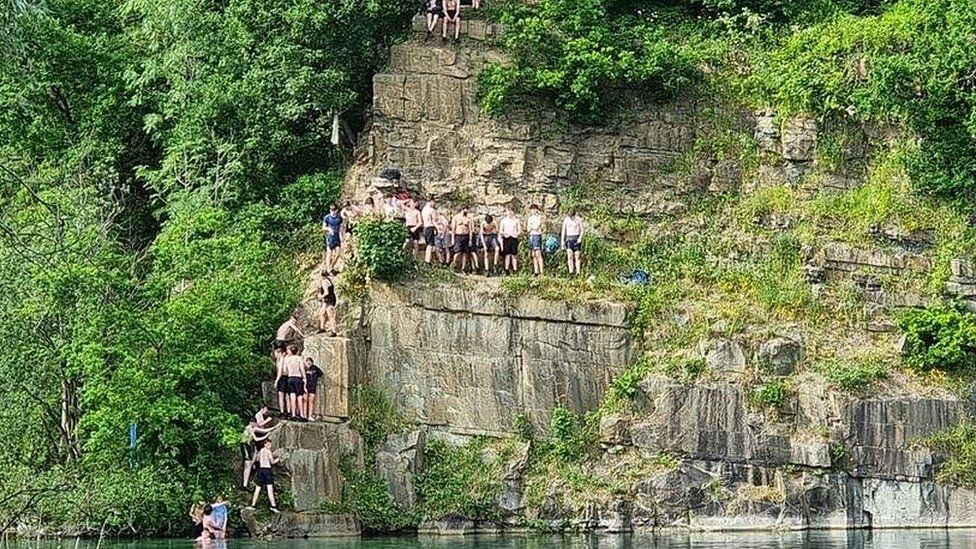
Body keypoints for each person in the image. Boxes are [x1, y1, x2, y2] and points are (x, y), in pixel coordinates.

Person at [242, 419, 279, 488]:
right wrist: (266, 436)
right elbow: (256, 439)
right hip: (245, 445)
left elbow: (264, 430)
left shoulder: (254, 428)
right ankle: (245, 484)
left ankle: (249, 478)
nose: (256, 425)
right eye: (255, 423)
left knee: (252, 461)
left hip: (250, 445)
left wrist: (275, 427)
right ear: (251, 423)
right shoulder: (249, 428)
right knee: (248, 464)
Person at [249, 439, 280, 513]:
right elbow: (272, 462)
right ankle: (273, 506)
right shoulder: (268, 451)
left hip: (260, 470)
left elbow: (257, 459)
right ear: (265, 444)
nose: (270, 446)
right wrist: (277, 459)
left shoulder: (261, 451)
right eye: (268, 445)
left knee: (258, 488)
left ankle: (253, 505)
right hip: (267, 470)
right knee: (270, 489)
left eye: (270, 445)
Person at [283, 344, 307, 420]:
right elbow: (302, 369)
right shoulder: (299, 359)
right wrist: (304, 378)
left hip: (290, 378)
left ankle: (293, 414)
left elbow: (285, 370)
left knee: (292, 397)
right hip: (298, 378)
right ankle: (301, 414)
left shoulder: (287, 360)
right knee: (299, 397)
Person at [451, 207, 474, 273]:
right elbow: (453, 229)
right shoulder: (456, 217)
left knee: (465, 253)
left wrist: (470, 240)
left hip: (466, 236)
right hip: (458, 236)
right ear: (462, 209)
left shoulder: (468, 219)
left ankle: (463, 268)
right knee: (457, 252)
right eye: (466, 209)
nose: (467, 211)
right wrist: (453, 238)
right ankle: (453, 265)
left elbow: (470, 230)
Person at [561, 210, 585, 275]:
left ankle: (578, 272)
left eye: (572, 216)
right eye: (570, 216)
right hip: (569, 238)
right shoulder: (566, 220)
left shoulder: (578, 219)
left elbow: (582, 230)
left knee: (577, 256)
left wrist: (580, 238)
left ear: (575, 215)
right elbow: (563, 231)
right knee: (570, 255)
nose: (571, 218)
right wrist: (562, 241)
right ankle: (571, 271)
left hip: (576, 238)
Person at [322, 205, 343, 274]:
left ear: (337, 210)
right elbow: (323, 227)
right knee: (329, 253)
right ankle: (328, 269)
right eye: (331, 210)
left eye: (334, 210)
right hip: (329, 237)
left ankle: (331, 267)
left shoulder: (339, 218)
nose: (333, 212)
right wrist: (328, 229)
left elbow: (341, 227)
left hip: (337, 236)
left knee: (338, 253)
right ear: (330, 210)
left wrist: (342, 236)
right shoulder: (327, 217)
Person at [499, 209, 521, 274]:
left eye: (511, 211)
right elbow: (500, 231)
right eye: (509, 211)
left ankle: (515, 269)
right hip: (507, 238)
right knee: (507, 255)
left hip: (514, 238)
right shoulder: (503, 221)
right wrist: (505, 233)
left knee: (514, 255)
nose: (510, 213)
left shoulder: (516, 220)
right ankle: (507, 269)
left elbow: (519, 230)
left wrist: (516, 234)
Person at [526, 204, 546, 276]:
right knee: (533, 254)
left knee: (538, 253)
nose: (533, 211)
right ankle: (536, 271)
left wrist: (533, 227)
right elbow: (528, 228)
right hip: (531, 235)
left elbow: (539, 227)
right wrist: (532, 227)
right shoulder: (530, 218)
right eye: (531, 210)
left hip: (537, 236)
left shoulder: (539, 218)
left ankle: (541, 271)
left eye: (534, 209)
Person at [317, 271, 338, 336]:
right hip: (329, 299)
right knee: (322, 313)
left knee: (330, 315)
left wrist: (320, 296)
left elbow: (326, 292)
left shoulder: (324, 282)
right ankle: (322, 328)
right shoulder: (328, 280)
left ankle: (334, 331)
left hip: (329, 300)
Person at [422, 199, 438, 266]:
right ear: (431, 201)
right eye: (434, 202)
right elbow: (434, 220)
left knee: (430, 245)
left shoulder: (423, 210)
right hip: (430, 227)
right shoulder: (431, 210)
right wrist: (437, 228)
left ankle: (431, 260)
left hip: (425, 228)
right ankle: (427, 261)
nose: (434, 204)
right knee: (430, 245)